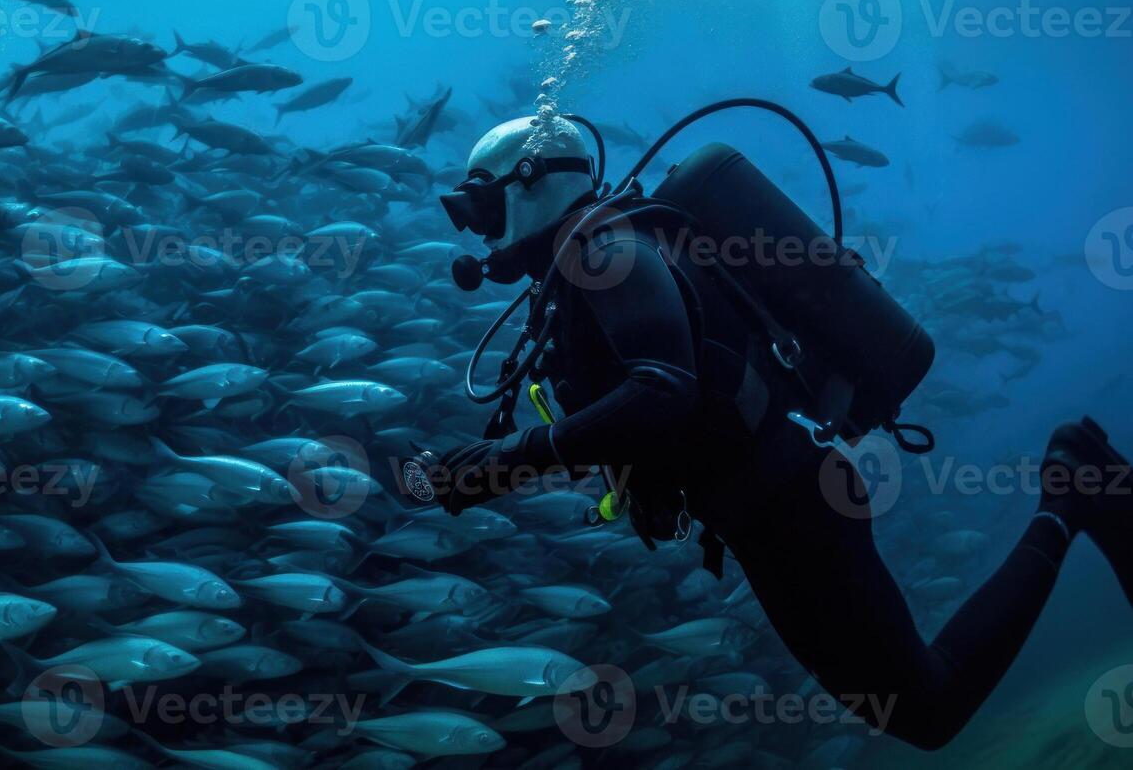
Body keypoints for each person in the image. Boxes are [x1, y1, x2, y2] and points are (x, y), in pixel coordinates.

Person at [434, 113, 1133, 750]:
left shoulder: (604, 251)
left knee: (927, 705)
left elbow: (662, 389)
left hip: (792, 502)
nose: (479, 230)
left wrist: (508, 460)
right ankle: (1072, 490)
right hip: (766, 507)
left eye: (483, 204)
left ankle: (1067, 495)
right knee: (918, 704)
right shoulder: (584, 264)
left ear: (531, 184)